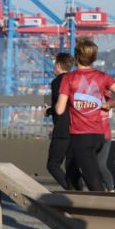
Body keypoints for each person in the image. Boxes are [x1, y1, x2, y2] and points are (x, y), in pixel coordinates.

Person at [54, 37, 115, 191]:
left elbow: (59, 110)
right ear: (93, 58)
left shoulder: (69, 78)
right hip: (98, 135)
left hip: (80, 136)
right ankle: (77, 205)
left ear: (76, 58)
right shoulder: (103, 77)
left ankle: (105, 210)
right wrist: (109, 104)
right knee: (77, 172)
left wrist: (65, 102)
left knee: (92, 180)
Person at [44, 52, 81, 190]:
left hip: (62, 129)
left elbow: (60, 106)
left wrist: (48, 111)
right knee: (72, 166)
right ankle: (80, 194)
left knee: (52, 164)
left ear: (59, 65)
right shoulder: (76, 79)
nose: (54, 68)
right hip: (77, 128)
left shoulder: (58, 81)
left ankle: (70, 190)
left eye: (55, 65)